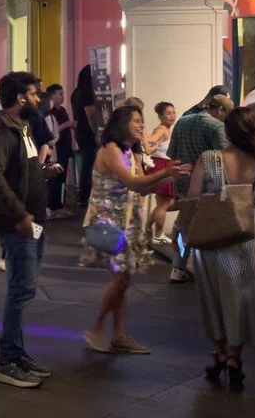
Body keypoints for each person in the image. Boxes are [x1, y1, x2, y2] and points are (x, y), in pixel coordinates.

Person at [184, 108, 255, 391]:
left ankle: (219, 353)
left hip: (214, 238)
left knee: (216, 298)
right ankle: (235, 357)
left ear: (228, 132)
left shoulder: (209, 159)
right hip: (249, 238)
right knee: (239, 301)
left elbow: (192, 198)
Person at [0, 71, 63, 388]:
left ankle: (17, 353)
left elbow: (21, 170)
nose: (39, 99)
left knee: (25, 288)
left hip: (33, 220)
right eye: (35, 93)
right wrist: (19, 216)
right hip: (19, 223)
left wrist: (43, 174)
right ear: (20, 97)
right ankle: (7, 360)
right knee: (20, 289)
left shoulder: (22, 128)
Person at [83, 105, 188, 355]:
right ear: (123, 124)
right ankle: (97, 327)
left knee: (123, 279)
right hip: (108, 223)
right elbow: (131, 182)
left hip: (126, 222)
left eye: (142, 121)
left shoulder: (129, 151)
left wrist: (169, 177)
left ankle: (118, 334)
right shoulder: (111, 149)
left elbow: (142, 188)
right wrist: (165, 172)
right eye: (137, 121)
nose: (142, 126)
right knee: (121, 277)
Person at [167, 94, 234, 283]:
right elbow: (223, 157)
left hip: (183, 183)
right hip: (208, 185)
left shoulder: (182, 122)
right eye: (227, 114)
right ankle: (208, 272)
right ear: (220, 110)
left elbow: (172, 154)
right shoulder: (216, 126)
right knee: (209, 230)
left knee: (185, 225)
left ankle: (178, 267)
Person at [144, 102, 177, 243]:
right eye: (168, 113)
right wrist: (144, 135)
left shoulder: (167, 129)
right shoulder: (161, 129)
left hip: (163, 165)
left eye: (173, 113)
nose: (172, 116)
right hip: (161, 166)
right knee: (165, 203)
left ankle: (148, 228)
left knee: (162, 203)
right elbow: (150, 141)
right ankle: (158, 235)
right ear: (160, 115)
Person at [46, 84, 75, 215]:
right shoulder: (50, 112)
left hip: (65, 147)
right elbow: (53, 130)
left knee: (62, 176)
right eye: (60, 94)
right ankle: (53, 206)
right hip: (56, 149)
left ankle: (59, 204)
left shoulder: (62, 110)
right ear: (52, 96)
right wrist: (67, 124)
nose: (62, 97)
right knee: (55, 177)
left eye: (63, 94)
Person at [72, 66, 98, 212]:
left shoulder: (76, 93)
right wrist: (97, 133)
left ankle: (83, 197)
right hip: (88, 132)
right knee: (89, 165)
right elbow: (91, 115)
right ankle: (85, 196)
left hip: (80, 131)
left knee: (86, 164)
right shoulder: (87, 92)